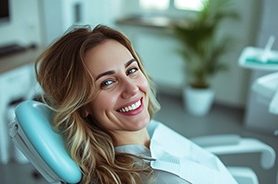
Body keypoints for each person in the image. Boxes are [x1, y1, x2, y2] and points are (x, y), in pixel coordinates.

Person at [35, 25, 237, 184]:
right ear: (82, 106)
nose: (132, 88)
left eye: (131, 70)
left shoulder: (151, 135)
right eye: (107, 82)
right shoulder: (166, 178)